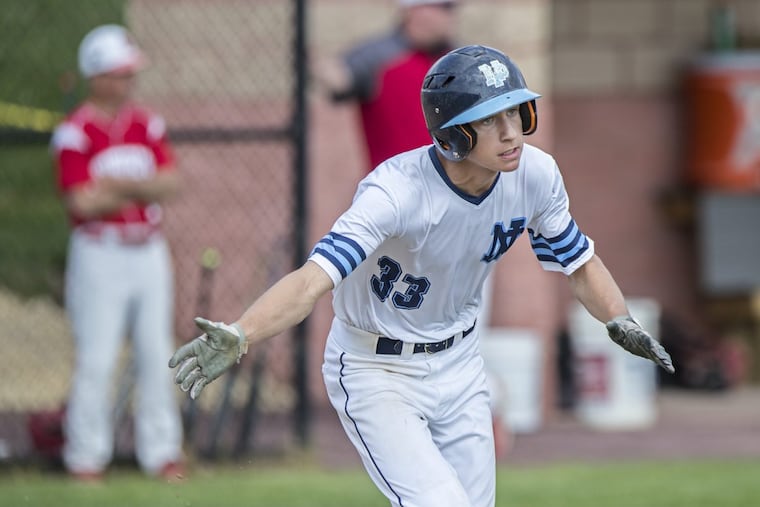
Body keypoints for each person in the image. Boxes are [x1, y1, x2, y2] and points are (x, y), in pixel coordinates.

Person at [169, 45, 674, 506]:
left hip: (459, 363)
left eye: (516, 112)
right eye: (491, 118)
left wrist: (618, 318)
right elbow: (311, 280)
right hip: (375, 370)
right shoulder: (394, 193)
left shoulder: (534, 175)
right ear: (453, 133)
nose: (511, 132)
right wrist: (242, 333)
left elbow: (577, 262)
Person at [51, 24, 184, 482]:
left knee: (156, 352)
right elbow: (80, 200)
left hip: (148, 251)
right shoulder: (75, 131)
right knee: (98, 357)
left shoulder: (146, 123)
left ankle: (162, 453)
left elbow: (170, 183)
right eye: (120, 73)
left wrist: (117, 187)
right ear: (97, 76)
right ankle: (85, 457)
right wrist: (139, 189)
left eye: (130, 74)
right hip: (99, 252)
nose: (129, 82)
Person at [315, 0, 458, 172]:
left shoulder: (458, 59)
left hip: (452, 185)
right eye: (441, 8)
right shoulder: (378, 56)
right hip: (395, 185)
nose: (448, 17)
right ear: (413, 11)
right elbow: (339, 81)